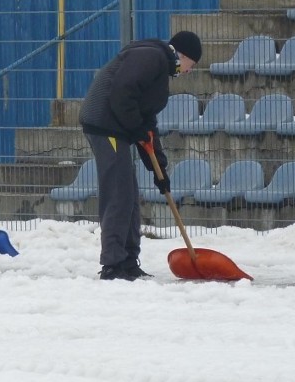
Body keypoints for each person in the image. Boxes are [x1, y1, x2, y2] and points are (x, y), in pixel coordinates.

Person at [79, 31, 202, 281]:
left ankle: (128, 260)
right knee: (118, 193)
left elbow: (147, 122)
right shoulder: (151, 57)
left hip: (117, 126)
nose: (190, 71)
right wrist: (135, 128)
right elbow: (122, 94)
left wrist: (159, 168)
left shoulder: (159, 69)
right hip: (105, 125)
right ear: (184, 55)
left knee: (129, 195)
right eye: (192, 65)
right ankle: (113, 264)